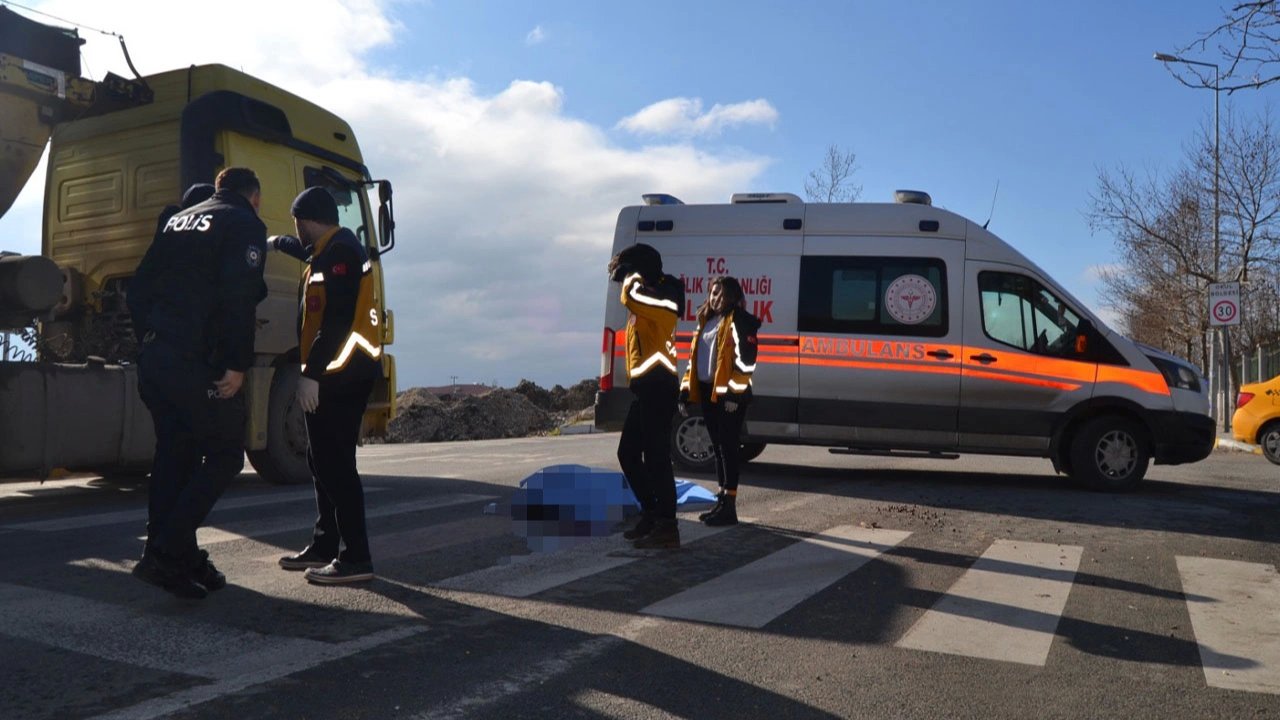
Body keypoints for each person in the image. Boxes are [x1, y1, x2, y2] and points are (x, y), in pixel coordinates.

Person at [127, 168, 267, 599]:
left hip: (157, 357)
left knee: (175, 452)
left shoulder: (178, 219)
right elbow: (238, 296)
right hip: (197, 363)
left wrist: (151, 340)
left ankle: (173, 558)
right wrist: (236, 363)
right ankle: (166, 552)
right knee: (225, 455)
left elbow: (139, 289)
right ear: (254, 196)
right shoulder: (243, 222)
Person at [269, 187, 382, 584]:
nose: (295, 230)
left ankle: (355, 558)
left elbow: (335, 321)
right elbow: (304, 253)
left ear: (310, 219)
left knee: (336, 466)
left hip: (343, 373)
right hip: (334, 373)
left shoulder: (341, 254)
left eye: (296, 224)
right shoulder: (328, 249)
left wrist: (311, 375)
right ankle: (324, 543)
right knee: (320, 461)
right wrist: (276, 242)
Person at [610, 243, 684, 549]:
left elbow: (631, 295)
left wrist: (629, 276)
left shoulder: (665, 296)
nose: (621, 282)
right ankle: (652, 514)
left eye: (625, 274)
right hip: (645, 388)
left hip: (660, 386)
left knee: (656, 457)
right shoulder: (649, 297)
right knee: (628, 453)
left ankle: (668, 526)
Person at [679, 276, 760, 526]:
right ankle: (722, 501)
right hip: (708, 392)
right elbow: (694, 361)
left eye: (723, 295)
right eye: (714, 293)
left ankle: (730, 506)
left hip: (728, 397)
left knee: (728, 448)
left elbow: (746, 362)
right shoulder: (706, 320)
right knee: (719, 449)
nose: (717, 298)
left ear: (734, 298)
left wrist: (735, 395)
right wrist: (684, 391)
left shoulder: (739, 320)